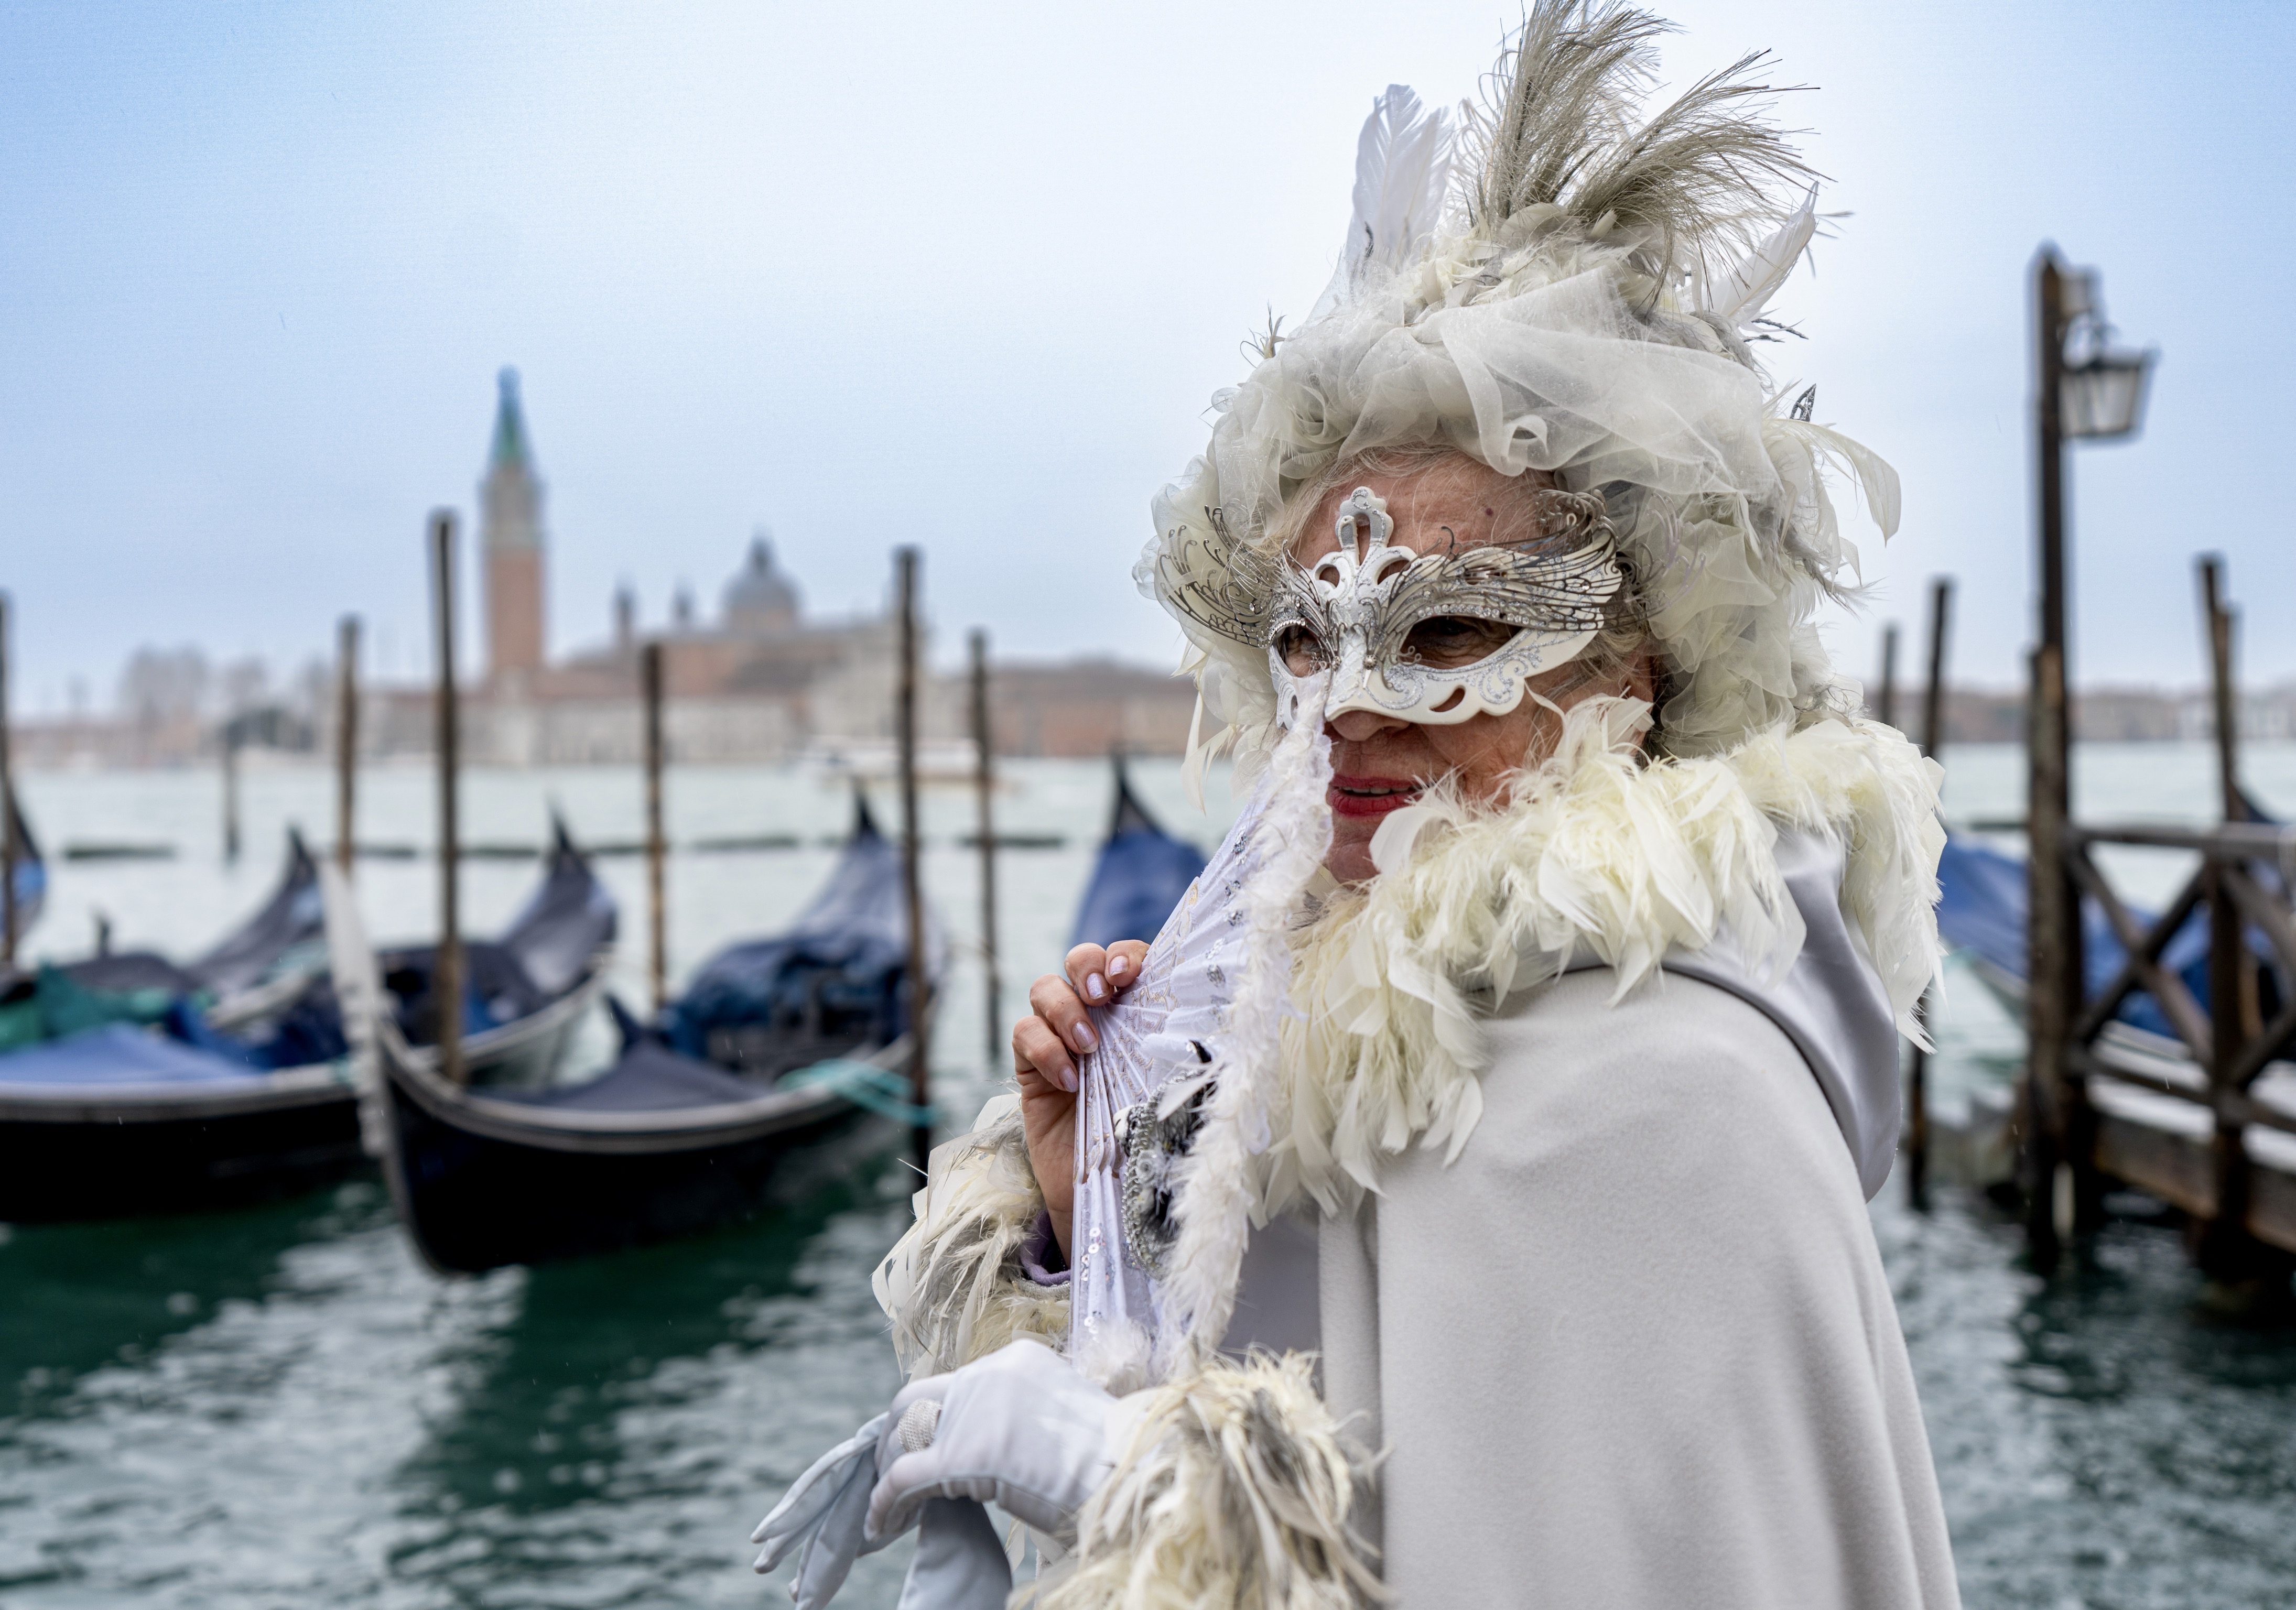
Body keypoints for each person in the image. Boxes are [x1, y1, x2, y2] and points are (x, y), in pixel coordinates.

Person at [752, 4, 1960, 1606]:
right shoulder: (1350, 1037)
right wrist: (1090, 1217)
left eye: (1449, 628)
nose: (1354, 705)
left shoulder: (1660, 1087)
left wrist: (1134, 1494)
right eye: (1306, 642)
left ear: (1644, 662)